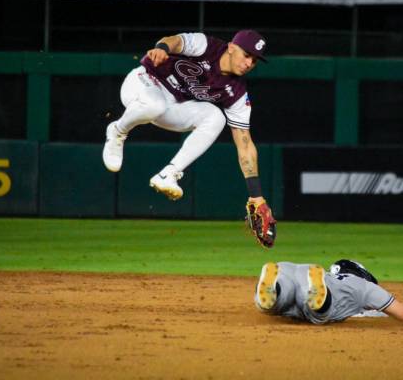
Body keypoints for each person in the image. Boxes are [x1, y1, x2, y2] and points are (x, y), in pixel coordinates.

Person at [102, 29, 276, 247]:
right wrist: (162, 48)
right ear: (232, 47)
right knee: (154, 105)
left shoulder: (236, 92)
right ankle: (118, 131)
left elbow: (245, 144)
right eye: (246, 55)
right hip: (143, 82)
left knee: (215, 118)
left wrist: (256, 195)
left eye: (255, 60)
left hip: (171, 105)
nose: (249, 63)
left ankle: (169, 174)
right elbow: (173, 41)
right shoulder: (208, 46)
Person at [254, 260, 403, 325]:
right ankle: (319, 303)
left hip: (292, 269)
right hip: (326, 289)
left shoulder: (329, 276)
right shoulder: (364, 286)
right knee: (319, 313)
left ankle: (276, 290)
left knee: (276, 303)